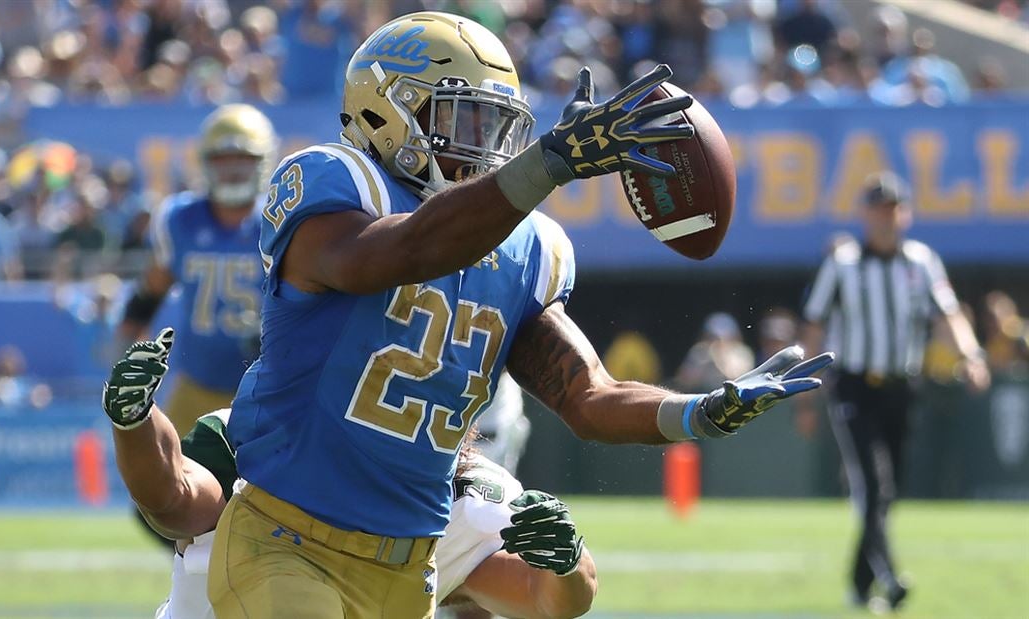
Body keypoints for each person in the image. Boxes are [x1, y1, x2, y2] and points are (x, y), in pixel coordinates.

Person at [100, 13, 832, 618]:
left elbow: (588, 396)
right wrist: (548, 165)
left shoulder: (526, 247)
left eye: (495, 123)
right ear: (386, 112)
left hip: (408, 563)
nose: (481, 143)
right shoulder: (338, 184)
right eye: (460, 117)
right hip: (283, 534)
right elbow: (399, 252)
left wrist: (697, 412)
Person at [99, 329, 597, 619]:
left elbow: (546, 598)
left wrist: (565, 563)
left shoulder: (465, 496)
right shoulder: (254, 443)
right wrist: (136, 423)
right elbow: (174, 500)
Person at [800, 171, 989, 613]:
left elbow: (946, 317)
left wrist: (972, 357)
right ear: (865, 213)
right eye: (880, 208)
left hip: (902, 388)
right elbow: (814, 325)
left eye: (895, 208)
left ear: (906, 213)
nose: (888, 217)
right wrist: (804, 392)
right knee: (875, 487)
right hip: (854, 386)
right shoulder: (843, 264)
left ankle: (858, 585)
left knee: (888, 494)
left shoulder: (921, 262)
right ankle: (889, 576)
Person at [118, 104, 274, 439]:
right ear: (205, 162)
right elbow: (150, 291)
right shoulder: (179, 219)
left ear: (262, 162)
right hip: (196, 388)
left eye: (242, 159)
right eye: (222, 158)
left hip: (266, 388)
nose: (232, 170)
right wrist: (127, 352)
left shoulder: (280, 221)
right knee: (159, 485)